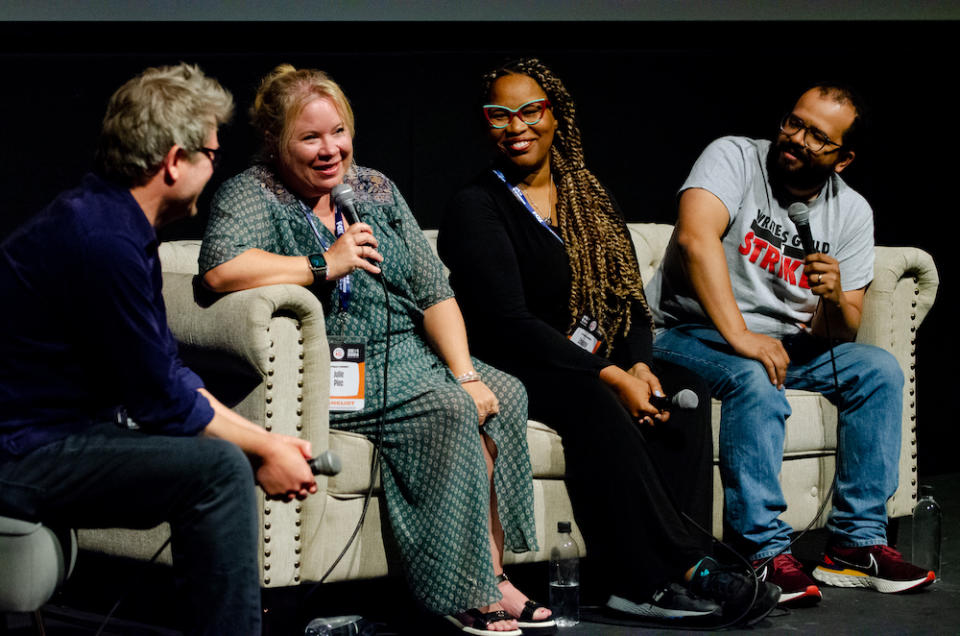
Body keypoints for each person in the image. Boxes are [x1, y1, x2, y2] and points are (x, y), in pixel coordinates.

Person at [198, 64, 551, 636]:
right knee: (448, 409)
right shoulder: (253, 192)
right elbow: (219, 269)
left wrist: (464, 372)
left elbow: (434, 291)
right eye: (309, 137)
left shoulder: (373, 189)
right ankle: (462, 593)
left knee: (502, 392)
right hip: (335, 366)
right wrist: (322, 263)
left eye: (338, 131)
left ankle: (495, 575)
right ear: (275, 141)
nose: (329, 149)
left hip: (407, 352)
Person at [438, 57, 780, 625]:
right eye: (499, 115)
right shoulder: (476, 206)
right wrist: (614, 377)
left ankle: (674, 574)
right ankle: (657, 578)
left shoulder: (590, 199)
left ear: (557, 116)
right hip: (519, 362)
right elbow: (510, 324)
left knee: (684, 391)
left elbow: (629, 304)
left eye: (530, 111)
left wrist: (642, 368)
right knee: (596, 403)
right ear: (485, 125)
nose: (516, 126)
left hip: (596, 359)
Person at [0, 63, 317, 636]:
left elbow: (164, 372)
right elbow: (162, 403)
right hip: (18, 449)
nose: (215, 170)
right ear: (175, 161)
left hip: (49, 434)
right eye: (212, 156)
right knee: (216, 468)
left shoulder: (109, 220)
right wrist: (263, 450)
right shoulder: (103, 241)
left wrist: (266, 442)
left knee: (218, 457)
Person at [648, 83, 936, 606]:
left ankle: (855, 544)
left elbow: (839, 332)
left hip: (782, 344)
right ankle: (759, 552)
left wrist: (830, 298)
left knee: (876, 369)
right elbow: (695, 238)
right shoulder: (734, 156)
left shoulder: (850, 212)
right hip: (687, 333)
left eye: (817, 137)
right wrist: (740, 335)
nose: (796, 139)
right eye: (794, 123)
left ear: (843, 158)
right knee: (754, 376)